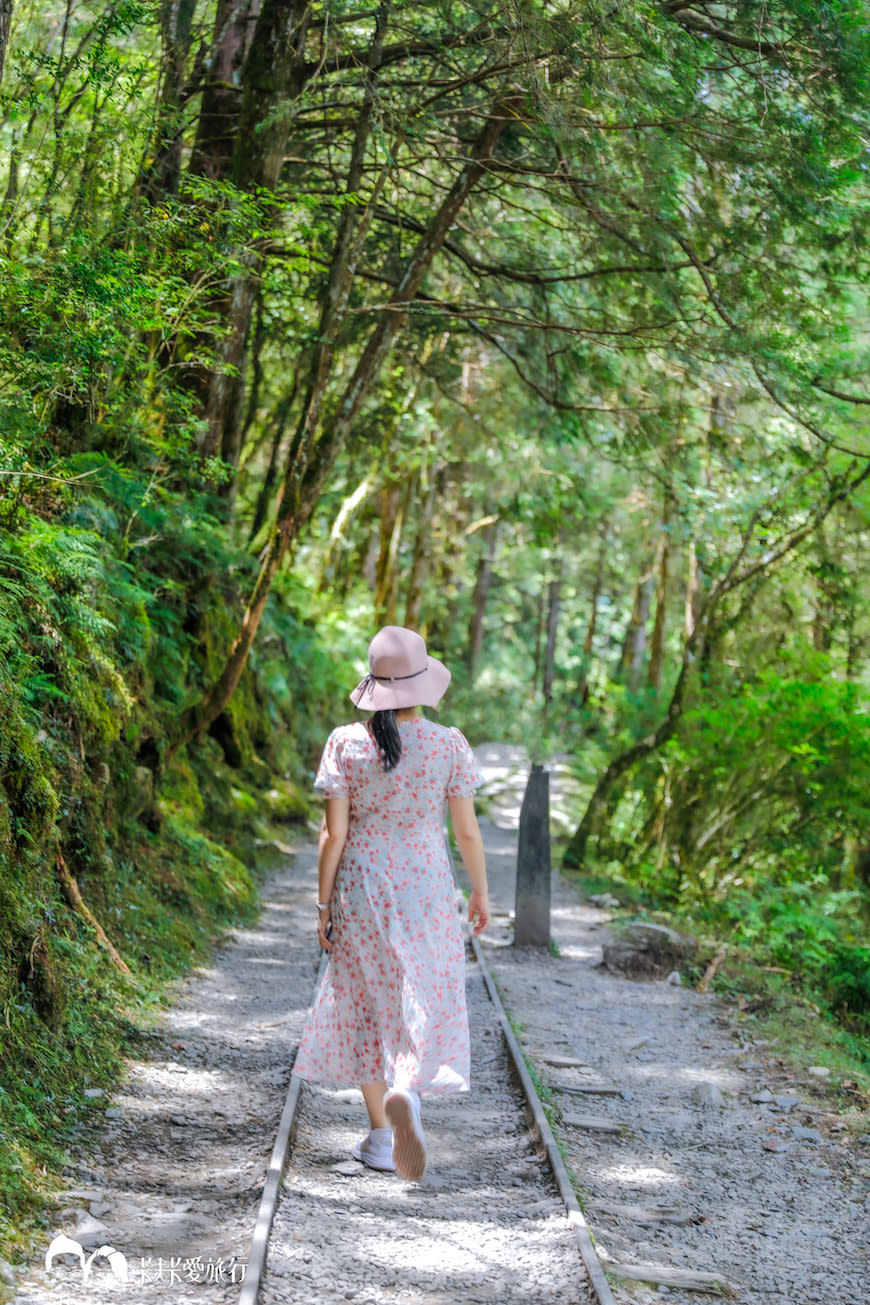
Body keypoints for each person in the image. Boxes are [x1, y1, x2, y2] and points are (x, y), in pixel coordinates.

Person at [290, 625, 489, 1181]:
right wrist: (480, 890)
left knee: (367, 1002)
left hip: (362, 887)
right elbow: (468, 832)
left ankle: (382, 1136)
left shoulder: (345, 743)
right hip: (425, 887)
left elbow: (332, 835)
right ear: (424, 684)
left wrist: (323, 904)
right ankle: (409, 1089)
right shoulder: (448, 744)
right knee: (421, 992)